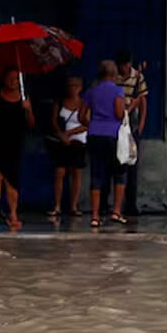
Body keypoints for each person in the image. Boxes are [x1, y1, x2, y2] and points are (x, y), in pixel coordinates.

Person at [0, 67, 34, 230]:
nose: (13, 82)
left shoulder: (24, 99)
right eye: (10, 78)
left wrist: (28, 109)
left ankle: (13, 214)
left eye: (17, 79)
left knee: (12, 181)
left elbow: (31, 124)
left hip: (15, 144)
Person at [82, 61, 128, 227]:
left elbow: (81, 115)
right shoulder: (118, 90)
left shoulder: (91, 91)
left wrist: (93, 124)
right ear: (114, 73)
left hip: (94, 134)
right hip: (113, 135)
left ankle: (95, 216)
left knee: (96, 174)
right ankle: (116, 211)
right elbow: (119, 113)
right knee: (119, 172)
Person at [49, 76, 88, 218]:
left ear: (80, 88)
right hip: (61, 142)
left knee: (76, 173)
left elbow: (86, 124)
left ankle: (74, 206)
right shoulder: (59, 102)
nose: (72, 89)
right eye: (70, 85)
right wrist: (61, 134)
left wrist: (69, 133)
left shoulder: (84, 104)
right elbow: (54, 121)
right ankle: (57, 205)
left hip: (78, 141)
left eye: (76, 86)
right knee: (59, 172)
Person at [115, 50, 147, 217]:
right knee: (115, 165)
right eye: (122, 65)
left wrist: (140, 126)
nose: (124, 68)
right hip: (116, 123)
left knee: (132, 166)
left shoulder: (137, 77)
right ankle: (113, 205)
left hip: (132, 126)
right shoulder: (113, 78)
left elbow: (142, 101)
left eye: (127, 65)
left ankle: (131, 204)